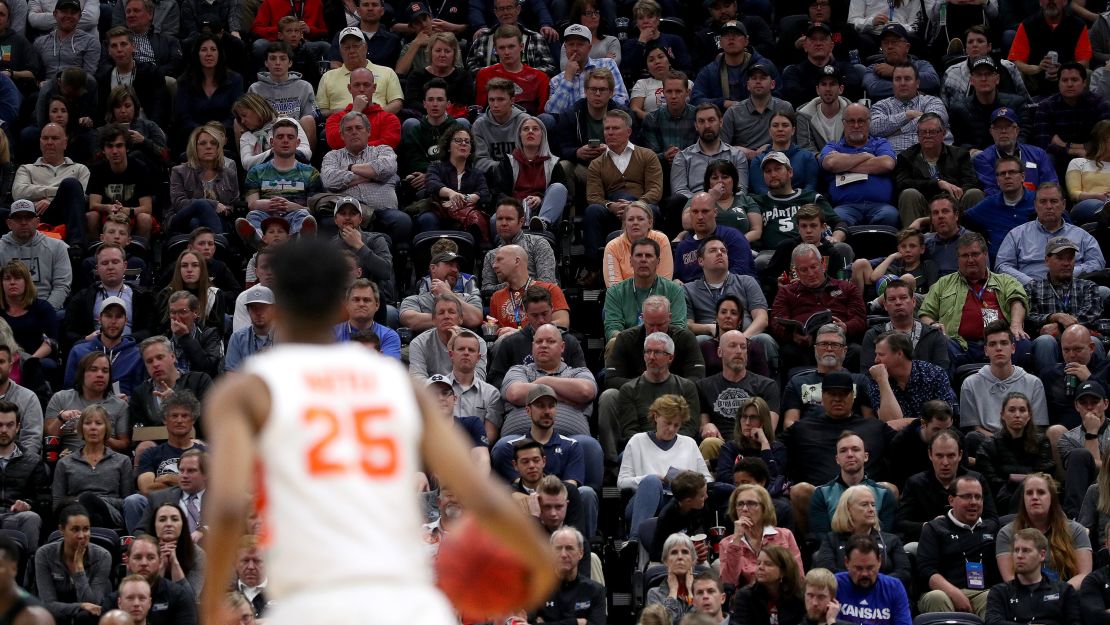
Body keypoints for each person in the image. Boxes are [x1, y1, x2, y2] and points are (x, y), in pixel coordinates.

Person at [200, 239, 557, 624]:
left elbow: (229, 507)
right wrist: (541, 563)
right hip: (406, 602)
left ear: (277, 308)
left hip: (316, 599)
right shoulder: (397, 383)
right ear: (341, 306)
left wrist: (211, 605)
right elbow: (480, 495)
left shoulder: (247, 390)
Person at [779, 371, 894, 536]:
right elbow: (773, 449)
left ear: (853, 396)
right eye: (831, 394)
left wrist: (919, 426)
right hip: (821, 499)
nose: (837, 399)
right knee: (799, 490)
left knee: (890, 489)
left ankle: (882, 543)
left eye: (843, 394)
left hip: (868, 496)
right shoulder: (802, 428)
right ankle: (809, 545)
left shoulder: (874, 427)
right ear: (822, 396)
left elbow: (904, 445)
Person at [918, 235, 1031, 369]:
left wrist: (1016, 325)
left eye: (975, 254)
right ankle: (945, 390)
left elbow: (1018, 299)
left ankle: (1018, 386)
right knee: (940, 344)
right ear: (957, 259)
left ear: (985, 255)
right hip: (959, 346)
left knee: (1023, 342)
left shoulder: (1005, 281)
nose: (970, 260)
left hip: (999, 343)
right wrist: (933, 324)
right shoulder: (943, 283)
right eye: (965, 256)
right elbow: (925, 313)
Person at [618, 395, 712, 541]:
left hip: (679, 502)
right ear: (655, 417)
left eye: (676, 425)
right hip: (643, 503)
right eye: (667, 423)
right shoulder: (637, 441)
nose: (671, 429)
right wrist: (649, 479)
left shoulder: (689, 443)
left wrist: (689, 480)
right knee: (651, 482)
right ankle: (634, 542)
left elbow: (707, 479)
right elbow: (622, 482)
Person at [916, 474, 1001, 616]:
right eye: (967, 496)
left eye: (978, 497)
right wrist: (954, 593)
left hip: (982, 593)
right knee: (937, 597)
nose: (973, 502)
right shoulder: (934, 528)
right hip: (943, 592)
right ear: (951, 500)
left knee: (993, 598)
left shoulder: (992, 528)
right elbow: (926, 570)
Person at [997, 473, 1092, 588]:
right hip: (1024, 598)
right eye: (1029, 493)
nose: (1035, 497)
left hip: (1066, 596)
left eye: (1041, 492)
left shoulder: (1076, 530)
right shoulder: (1006, 534)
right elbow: (1010, 579)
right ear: (1023, 499)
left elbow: (1084, 574)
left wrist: (1057, 594)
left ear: (1052, 498)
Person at [817, 103, 900, 228]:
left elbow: (887, 164)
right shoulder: (833, 146)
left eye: (861, 121)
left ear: (868, 123)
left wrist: (843, 163)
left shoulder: (880, 143)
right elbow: (830, 163)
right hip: (844, 207)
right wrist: (865, 156)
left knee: (890, 216)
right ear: (843, 123)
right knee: (837, 218)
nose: (856, 126)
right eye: (851, 121)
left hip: (880, 206)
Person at [52, 405, 134, 529]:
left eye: (98, 423)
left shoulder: (122, 461)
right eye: (88, 423)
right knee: (87, 507)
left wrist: (97, 500)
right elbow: (58, 504)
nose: (93, 427)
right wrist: (81, 502)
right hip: (75, 516)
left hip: (111, 516)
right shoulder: (65, 463)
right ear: (81, 428)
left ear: (106, 428)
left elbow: (127, 502)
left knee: (88, 499)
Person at [893, 113, 983, 226]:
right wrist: (937, 184)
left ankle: (972, 240)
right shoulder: (906, 157)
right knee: (908, 194)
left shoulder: (960, 155)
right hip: (923, 207)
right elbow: (902, 184)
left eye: (932, 132)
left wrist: (949, 199)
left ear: (943, 133)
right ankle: (912, 239)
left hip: (955, 206)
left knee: (974, 193)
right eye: (923, 132)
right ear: (918, 135)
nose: (927, 135)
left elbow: (971, 182)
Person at [809, 432, 898, 539]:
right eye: (843, 450)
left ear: (866, 456)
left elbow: (887, 536)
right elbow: (821, 536)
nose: (850, 454)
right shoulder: (821, 494)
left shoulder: (884, 494)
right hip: (835, 551)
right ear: (837, 459)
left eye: (855, 449)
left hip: (875, 551)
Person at [986, 527, 1081, 624]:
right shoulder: (1000, 592)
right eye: (1016, 550)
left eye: (1026, 550)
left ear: (1042, 555)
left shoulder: (1064, 591)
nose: (1019, 555)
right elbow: (993, 622)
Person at [34, 504, 111, 624]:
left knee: (85, 617)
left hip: (86, 620)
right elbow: (47, 605)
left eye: (86, 529)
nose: (82, 536)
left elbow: (93, 606)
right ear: (61, 530)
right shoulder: (44, 554)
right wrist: (79, 606)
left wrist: (79, 568)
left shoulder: (103, 557)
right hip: (55, 618)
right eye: (75, 529)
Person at [867, 331, 957, 429]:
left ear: (899, 354)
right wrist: (883, 381)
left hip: (933, 437)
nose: (876, 360)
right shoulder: (878, 378)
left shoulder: (934, 374)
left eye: (881, 354)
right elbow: (891, 425)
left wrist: (907, 422)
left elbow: (942, 419)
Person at [718, 484, 802, 588]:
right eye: (740, 504)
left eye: (751, 503)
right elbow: (728, 583)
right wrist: (737, 539)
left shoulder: (784, 535)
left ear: (764, 508)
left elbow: (798, 577)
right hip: (746, 600)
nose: (744, 509)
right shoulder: (727, 544)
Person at [493, 119, 568, 234]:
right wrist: (519, 204)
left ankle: (542, 225)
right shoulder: (508, 162)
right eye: (526, 129)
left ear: (542, 134)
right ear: (520, 135)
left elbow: (564, 196)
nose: (530, 132)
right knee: (494, 220)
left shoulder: (553, 163)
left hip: (543, 211)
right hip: (515, 211)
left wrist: (541, 199)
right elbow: (498, 193)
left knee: (559, 188)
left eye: (535, 129)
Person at [603, 239, 686, 342]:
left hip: (663, 344)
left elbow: (679, 327)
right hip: (628, 345)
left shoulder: (674, 290)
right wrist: (634, 343)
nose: (643, 260)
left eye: (648, 256)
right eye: (638, 255)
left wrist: (653, 343)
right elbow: (612, 329)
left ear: (658, 262)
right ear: (631, 261)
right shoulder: (615, 292)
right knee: (613, 342)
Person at [100, 536, 195, 625]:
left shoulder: (179, 596)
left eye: (150, 557)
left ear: (160, 561)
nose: (144, 563)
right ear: (127, 561)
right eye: (138, 557)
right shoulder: (112, 602)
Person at [46, 351, 129, 453]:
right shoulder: (61, 398)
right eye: (93, 370)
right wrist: (61, 419)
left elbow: (124, 445)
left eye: (105, 371)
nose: (100, 375)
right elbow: (48, 436)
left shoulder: (120, 405)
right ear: (82, 374)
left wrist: (102, 436)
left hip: (106, 461)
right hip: (69, 461)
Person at [1008, 0, 1093, 99]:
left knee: (1088, 73)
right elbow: (1017, 63)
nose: (1051, 1)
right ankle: (1026, 105)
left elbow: (1084, 62)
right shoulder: (1027, 25)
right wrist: (1038, 68)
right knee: (1017, 74)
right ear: (1040, 2)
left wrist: (1063, 70)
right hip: (1036, 81)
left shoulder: (1078, 25)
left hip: (1068, 79)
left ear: (1065, 2)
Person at [422, 125, 491, 244]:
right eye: (458, 140)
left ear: (470, 151)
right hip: (440, 211)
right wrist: (450, 193)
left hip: (466, 214)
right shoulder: (436, 167)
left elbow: (484, 193)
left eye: (467, 142)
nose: (463, 144)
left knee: (477, 220)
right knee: (427, 219)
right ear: (448, 147)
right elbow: (432, 183)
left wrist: (464, 199)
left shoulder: (477, 174)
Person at [860, 279, 950, 371]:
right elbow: (867, 375)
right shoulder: (873, 335)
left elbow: (943, 375)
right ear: (885, 305)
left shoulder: (934, 335)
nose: (898, 302)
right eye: (892, 299)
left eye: (903, 297)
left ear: (914, 302)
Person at [128, 336, 213, 431]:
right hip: (156, 444)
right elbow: (138, 432)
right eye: (149, 361)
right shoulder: (140, 393)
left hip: (195, 442)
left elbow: (211, 420)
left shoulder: (199, 381)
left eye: (160, 357)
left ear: (173, 357)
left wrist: (176, 401)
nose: (155, 364)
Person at [167, 123, 237, 235]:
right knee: (199, 208)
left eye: (213, 143)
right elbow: (179, 203)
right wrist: (213, 205)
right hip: (183, 220)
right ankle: (218, 244)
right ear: (194, 147)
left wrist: (225, 210)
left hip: (218, 220)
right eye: (203, 143)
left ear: (219, 147)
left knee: (197, 223)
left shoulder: (229, 174)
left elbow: (234, 205)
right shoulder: (179, 171)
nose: (209, 147)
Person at [481, 198, 559, 297]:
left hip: (537, 303)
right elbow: (486, 290)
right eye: (500, 219)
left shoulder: (538, 244)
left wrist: (518, 285)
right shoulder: (491, 255)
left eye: (509, 219)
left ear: (521, 221)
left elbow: (547, 283)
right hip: (504, 306)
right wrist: (512, 284)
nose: (503, 223)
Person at [1054, 380, 1110, 515]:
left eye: (1095, 402)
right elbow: (1091, 467)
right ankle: (1074, 518)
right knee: (1079, 455)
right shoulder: (1067, 438)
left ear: (1106, 404)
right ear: (1076, 406)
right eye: (1084, 403)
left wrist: (1091, 432)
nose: (1089, 407)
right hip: (1083, 491)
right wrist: (1091, 433)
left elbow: (1103, 473)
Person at [973, 107, 1058, 195]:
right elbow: (991, 191)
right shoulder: (983, 159)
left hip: (1037, 205)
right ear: (991, 132)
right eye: (998, 127)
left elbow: (1050, 184)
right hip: (1003, 206)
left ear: (1017, 130)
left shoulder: (1038, 154)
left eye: (1008, 126)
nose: (1003, 131)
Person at [691, 21, 776, 110]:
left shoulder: (765, 66)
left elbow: (778, 95)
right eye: (726, 35)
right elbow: (696, 100)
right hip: (722, 120)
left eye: (736, 34)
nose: (731, 38)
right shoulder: (709, 71)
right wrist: (724, 103)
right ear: (720, 42)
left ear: (746, 40)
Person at [546, 25, 627, 116]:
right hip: (572, 125)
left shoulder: (607, 64)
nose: (575, 48)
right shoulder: (556, 80)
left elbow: (621, 99)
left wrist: (596, 110)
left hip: (605, 120)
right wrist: (567, 78)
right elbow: (552, 112)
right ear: (565, 48)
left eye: (580, 44)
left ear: (589, 47)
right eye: (571, 44)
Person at [532, 527, 606, 625]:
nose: (563, 554)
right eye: (558, 548)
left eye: (569, 548)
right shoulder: (537, 590)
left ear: (581, 553)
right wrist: (577, 622)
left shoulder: (595, 591)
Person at [833, 534, 912, 625]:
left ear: (879, 561)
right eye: (858, 568)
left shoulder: (894, 587)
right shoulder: (835, 584)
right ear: (847, 562)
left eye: (870, 568)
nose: (864, 574)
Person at [473, 25, 550, 116]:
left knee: (547, 118)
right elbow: (480, 110)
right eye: (501, 48)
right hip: (494, 123)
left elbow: (542, 112)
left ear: (521, 46)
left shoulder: (540, 77)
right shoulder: (484, 74)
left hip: (528, 125)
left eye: (511, 46)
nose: (506, 52)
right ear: (495, 50)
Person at [712, 397, 785, 487]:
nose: (747, 422)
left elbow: (774, 479)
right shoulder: (730, 447)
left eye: (753, 417)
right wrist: (751, 483)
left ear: (763, 421)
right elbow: (723, 477)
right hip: (736, 494)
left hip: (767, 497)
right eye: (744, 417)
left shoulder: (777, 448)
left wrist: (765, 444)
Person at [860, 23, 940, 101]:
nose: (890, 46)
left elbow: (933, 81)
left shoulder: (921, 65)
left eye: (895, 42)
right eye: (885, 43)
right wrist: (912, 89)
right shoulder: (874, 68)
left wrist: (894, 72)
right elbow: (874, 89)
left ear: (907, 47)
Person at [729, 546, 805, 625]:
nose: (760, 567)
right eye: (758, 563)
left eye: (768, 564)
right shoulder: (746, 595)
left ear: (784, 571)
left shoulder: (799, 596)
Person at [142, 503, 204, 599]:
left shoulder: (198, 554)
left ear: (183, 525)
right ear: (154, 525)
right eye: (162, 520)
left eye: (174, 519)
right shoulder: (140, 550)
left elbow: (190, 599)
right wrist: (161, 566)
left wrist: (175, 564)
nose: (168, 524)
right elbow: (142, 597)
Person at [796, 64, 853, 153]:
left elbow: (857, 144)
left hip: (849, 162)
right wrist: (826, 160)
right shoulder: (804, 115)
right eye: (823, 84)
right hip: (816, 164)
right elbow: (806, 148)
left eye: (832, 84)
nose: (828, 89)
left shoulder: (853, 114)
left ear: (841, 89)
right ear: (818, 89)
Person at [225, 285, 276, 372]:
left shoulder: (287, 337)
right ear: (248, 310)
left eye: (263, 307)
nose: (258, 312)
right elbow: (232, 375)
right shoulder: (238, 338)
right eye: (253, 307)